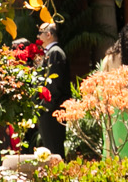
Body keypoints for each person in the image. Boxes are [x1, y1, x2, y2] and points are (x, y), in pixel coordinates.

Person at [36, 22, 71, 156]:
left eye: (40, 33)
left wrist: (45, 106)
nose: (37, 36)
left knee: (54, 151)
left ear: (48, 35)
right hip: (50, 109)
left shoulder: (55, 52)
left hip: (53, 110)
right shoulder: (51, 52)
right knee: (50, 150)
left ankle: (57, 176)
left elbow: (54, 84)